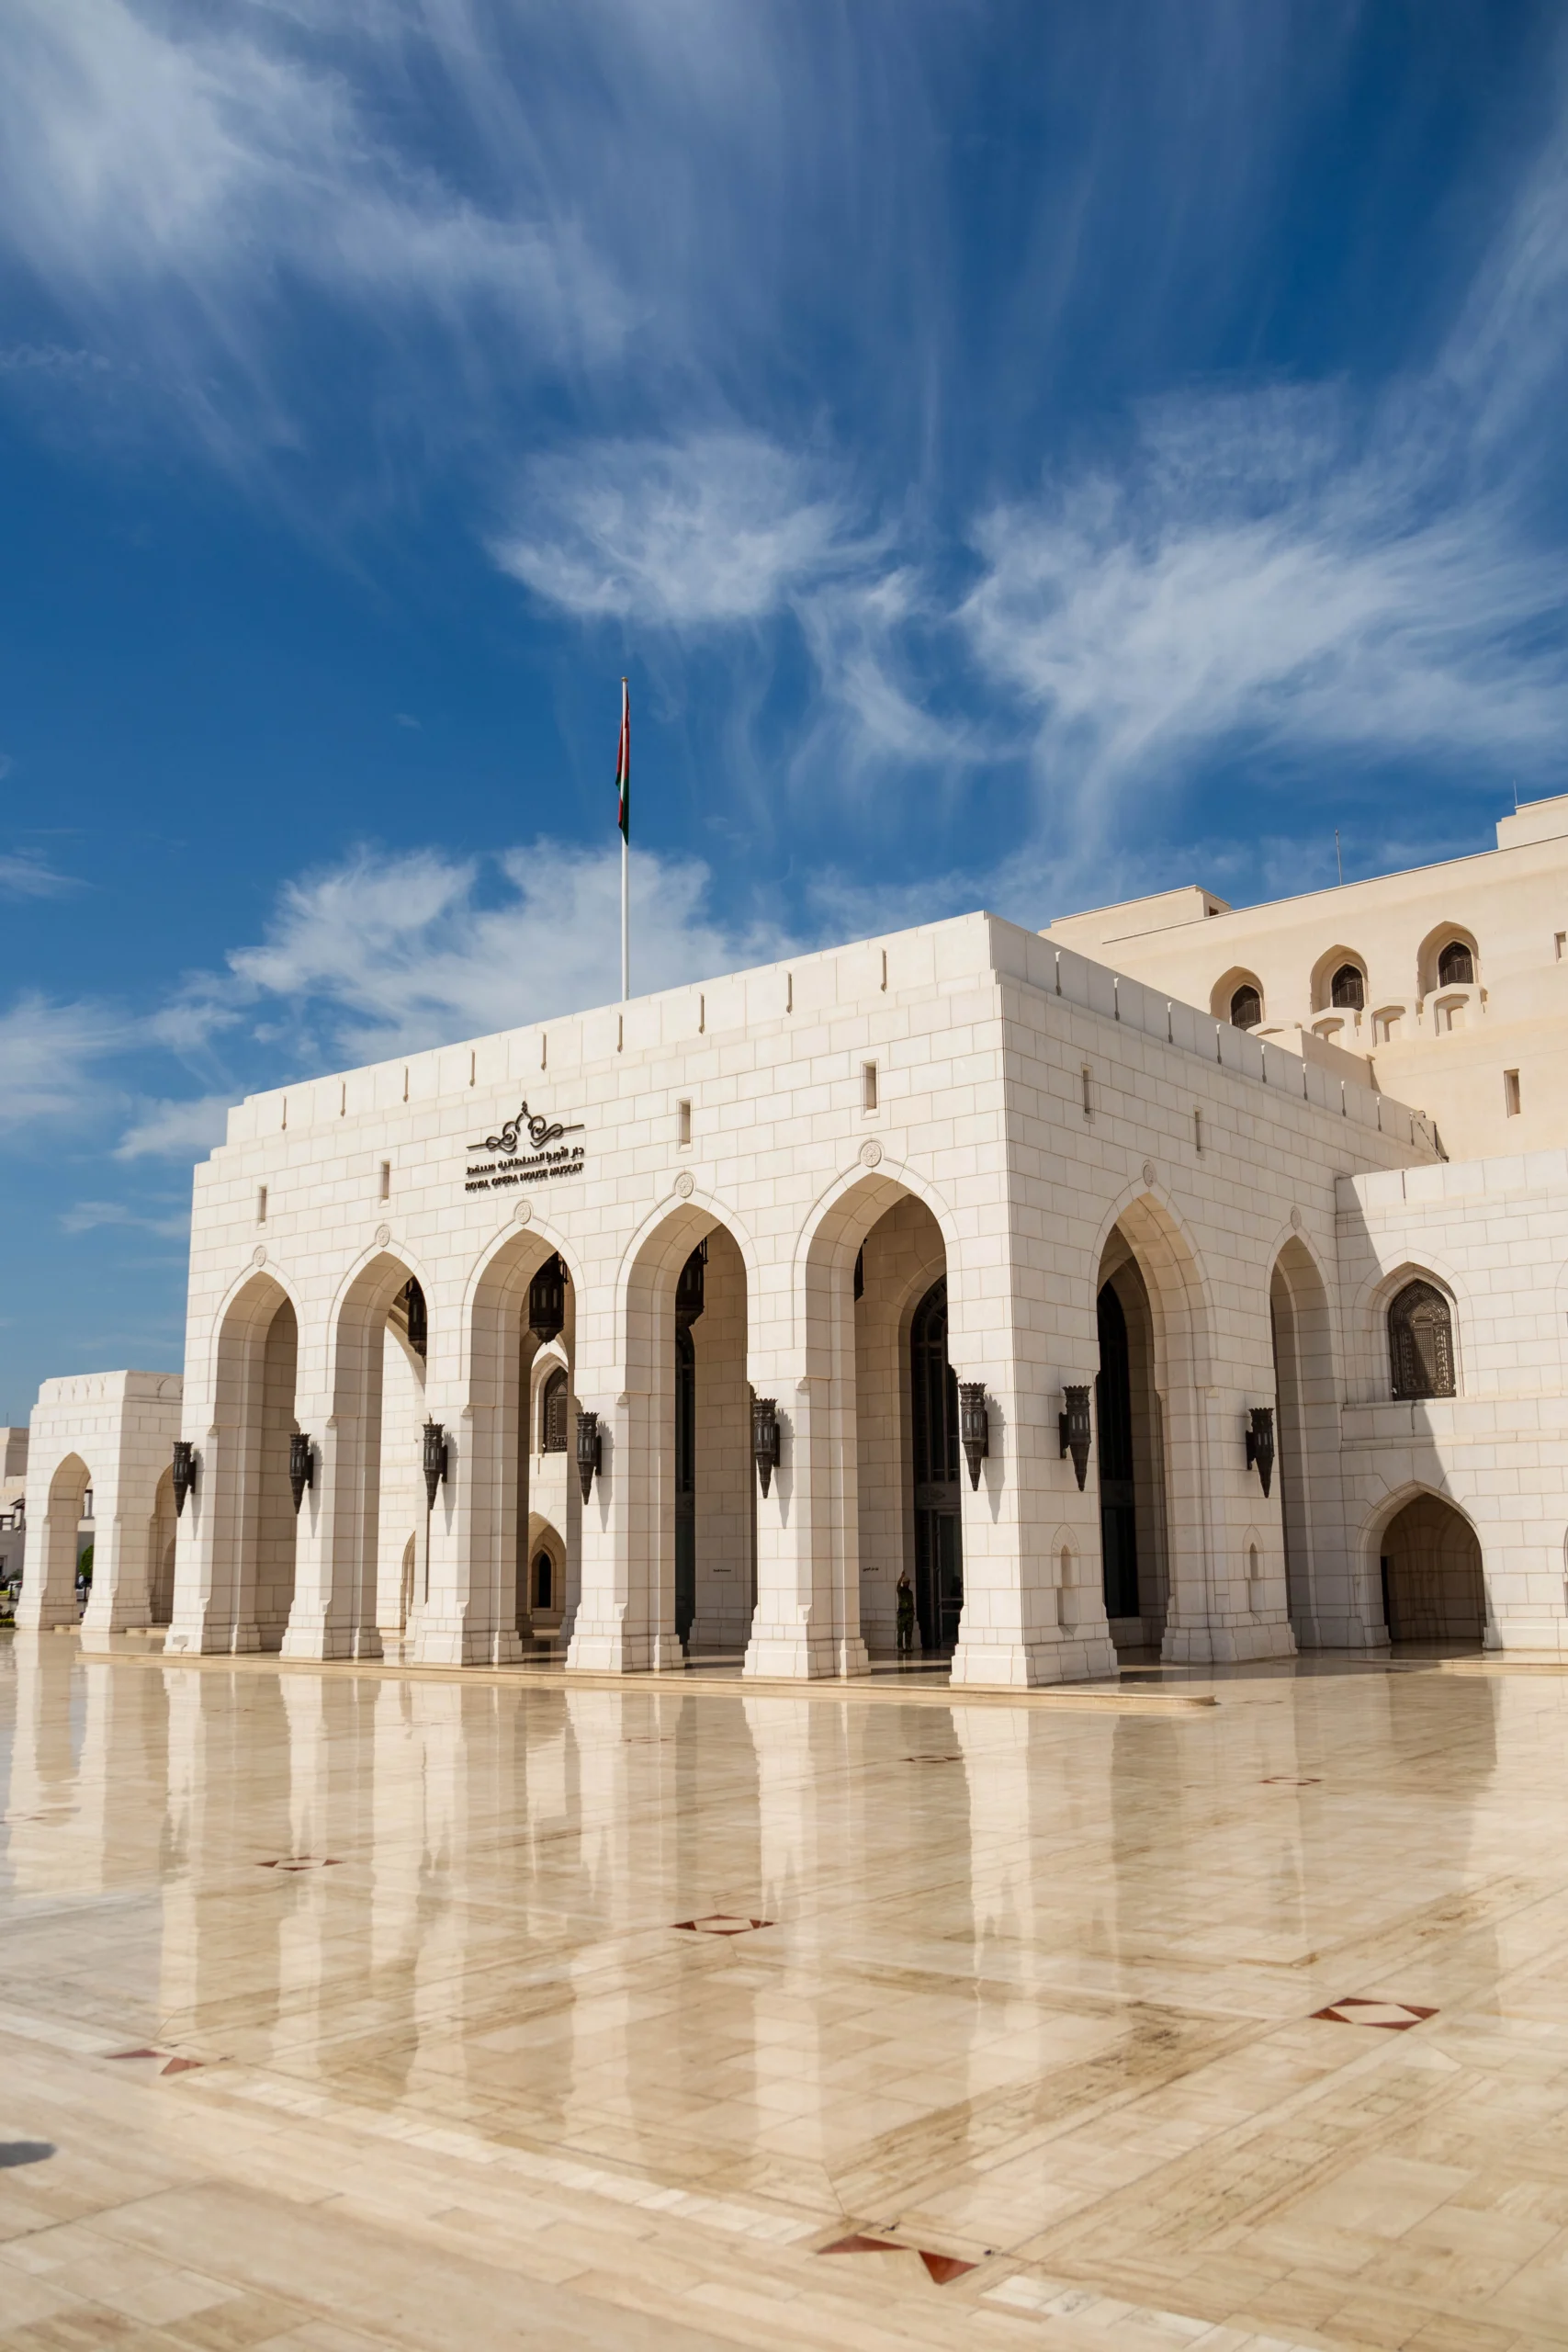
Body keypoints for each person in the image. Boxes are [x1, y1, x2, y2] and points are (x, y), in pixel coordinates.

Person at [895, 1570, 916, 1658]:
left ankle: (908, 1646)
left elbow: (911, 1602)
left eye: (908, 1582)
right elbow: (897, 1586)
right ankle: (900, 1646)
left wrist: (913, 1612)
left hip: (909, 1614)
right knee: (900, 1631)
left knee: (909, 1631)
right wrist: (901, 1577)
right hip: (902, 1614)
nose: (907, 1584)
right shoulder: (901, 1591)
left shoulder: (910, 1592)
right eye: (906, 1583)